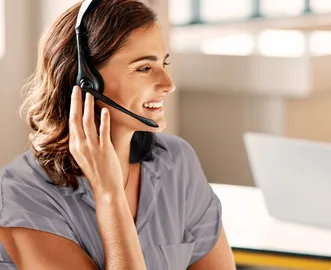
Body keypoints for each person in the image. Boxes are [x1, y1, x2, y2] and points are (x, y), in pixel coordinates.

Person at [0, 0, 235, 269]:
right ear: (85, 81)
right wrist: (110, 195)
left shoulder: (176, 162)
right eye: (144, 68)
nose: (168, 85)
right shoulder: (23, 196)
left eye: (163, 64)